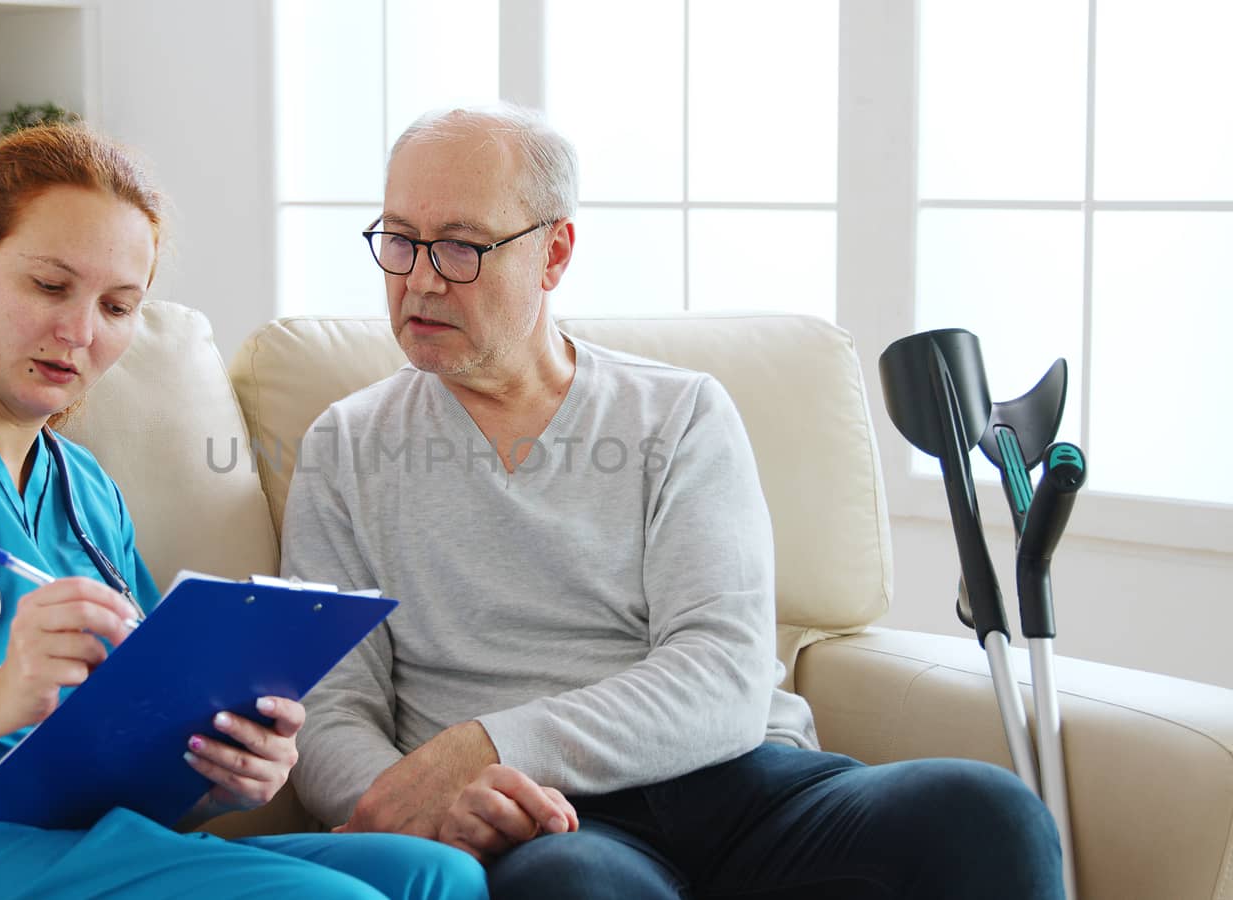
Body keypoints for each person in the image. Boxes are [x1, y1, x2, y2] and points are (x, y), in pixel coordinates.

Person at [281, 105, 1064, 899]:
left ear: (553, 254)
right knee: (571, 889)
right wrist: (424, 802)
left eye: (458, 246)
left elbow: (721, 678)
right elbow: (328, 711)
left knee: (992, 811)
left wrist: (486, 746)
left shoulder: (679, 413)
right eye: (400, 239)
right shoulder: (345, 448)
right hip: (559, 826)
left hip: (750, 786)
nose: (417, 277)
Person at [0, 123, 486, 900]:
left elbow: (132, 742)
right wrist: (2, 693)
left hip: (64, 842)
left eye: (117, 307)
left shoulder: (84, 491)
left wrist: (227, 773)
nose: (78, 333)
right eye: (50, 286)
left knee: (436, 873)